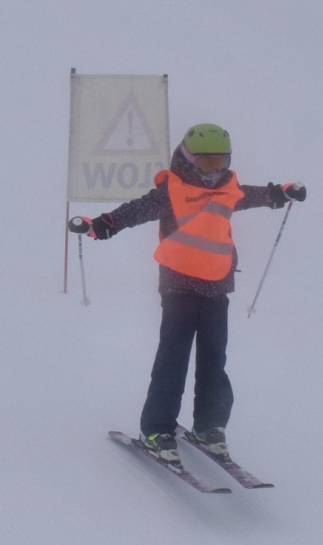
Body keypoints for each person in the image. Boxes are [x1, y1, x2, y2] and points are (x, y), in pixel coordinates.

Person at [70, 123, 306, 464]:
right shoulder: (172, 190)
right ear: (188, 159)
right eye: (208, 163)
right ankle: (156, 430)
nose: (215, 171)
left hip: (217, 285)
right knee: (174, 357)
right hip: (178, 284)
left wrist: (282, 193)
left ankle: (210, 428)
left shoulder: (229, 188)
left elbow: (258, 195)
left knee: (214, 359)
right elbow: (134, 211)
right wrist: (100, 225)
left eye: (221, 162)